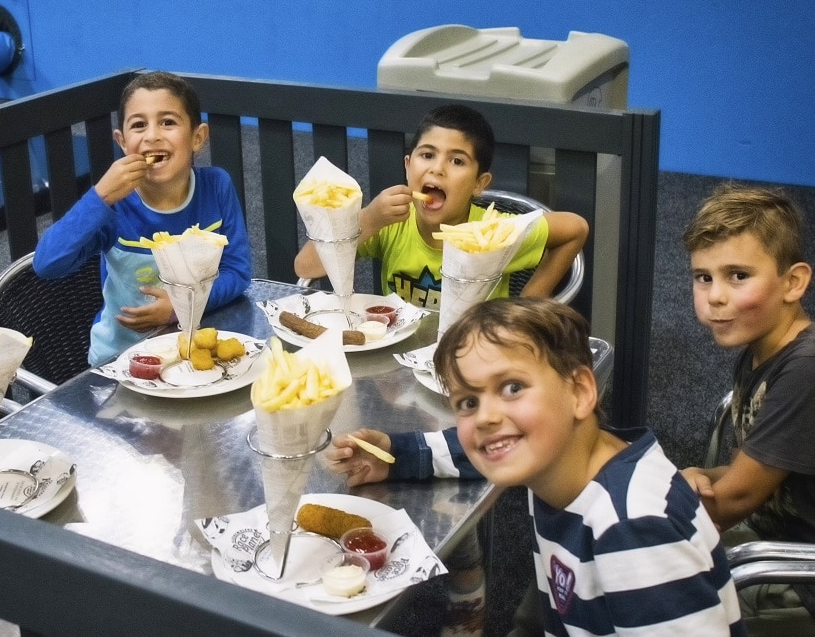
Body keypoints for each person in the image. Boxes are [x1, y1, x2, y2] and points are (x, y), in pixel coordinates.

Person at [330, 297, 744, 634]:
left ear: (580, 392)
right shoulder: (562, 462)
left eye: (512, 388)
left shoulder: (631, 529)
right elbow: (473, 445)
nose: (487, 417)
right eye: (468, 402)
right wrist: (397, 455)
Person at [33, 71, 251, 366]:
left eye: (168, 122)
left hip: (193, 354)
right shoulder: (114, 207)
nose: (151, 135)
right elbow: (47, 264)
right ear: (122, 142)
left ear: (197, 137)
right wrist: (101, 196)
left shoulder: (217, 187)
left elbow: (237, 272)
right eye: (138, 125)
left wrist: (179, 306)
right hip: (120, 361)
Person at [678, 184, 815, 633]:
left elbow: (736, 499)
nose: (715, 296)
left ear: (793, 282)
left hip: (796, 577)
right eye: (704, 277)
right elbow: (750, 472)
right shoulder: (763, 349)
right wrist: (698, 478)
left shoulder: (805, 370)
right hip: (770, 538)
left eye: (738, 276)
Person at [294, 104, 587, 309]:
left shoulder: (494, 231)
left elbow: (576, 228)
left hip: (477, 360)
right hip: (401, 362)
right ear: (408, 167)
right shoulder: (389, 221)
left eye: (457, 161)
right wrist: (369, 219)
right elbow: (305, 265)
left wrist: (532, 298)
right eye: (427, 155)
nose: (437, 169)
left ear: (479, 183)